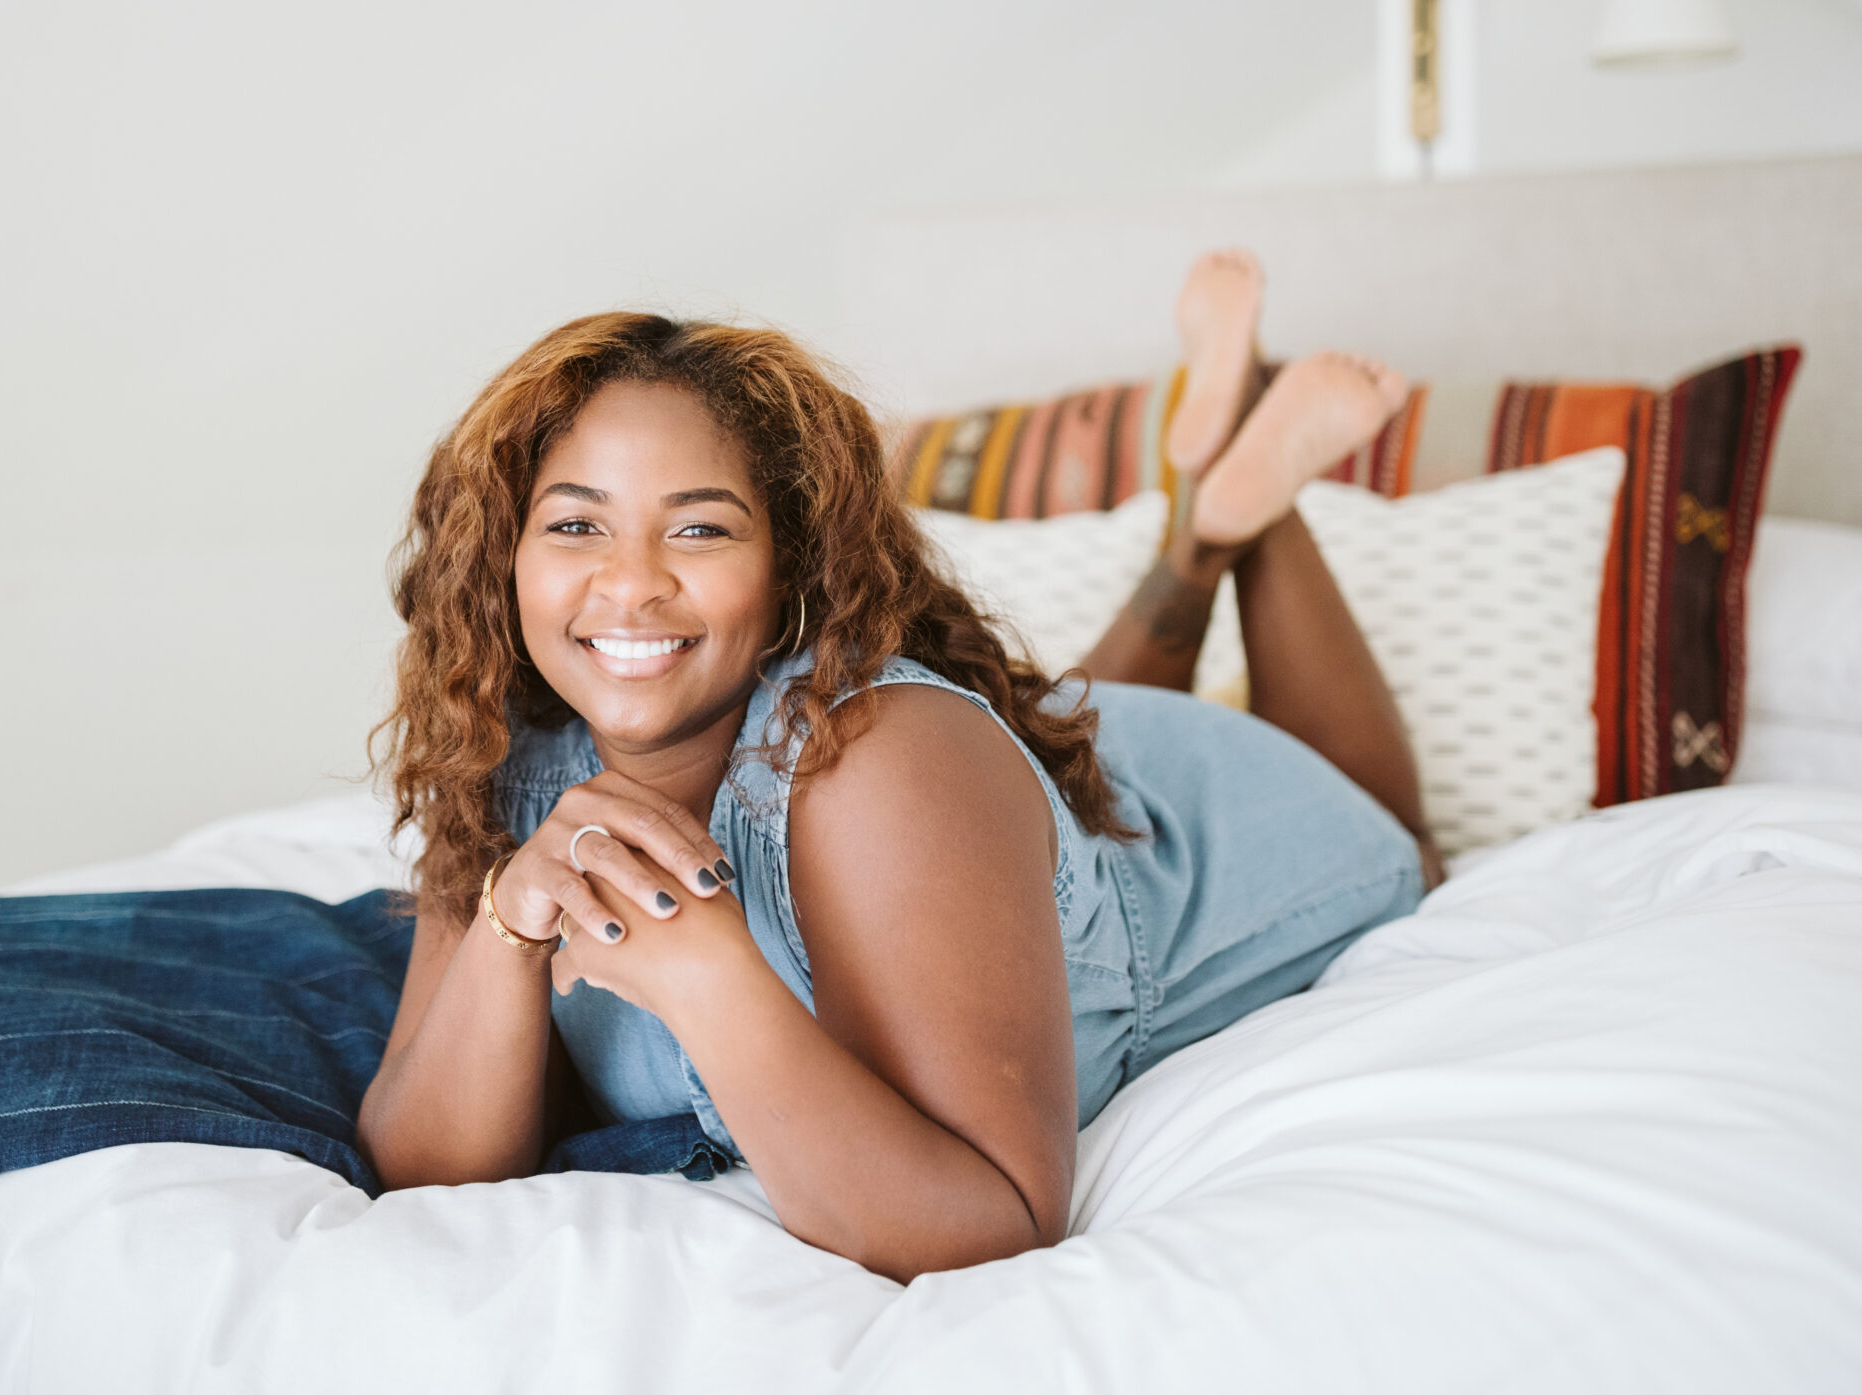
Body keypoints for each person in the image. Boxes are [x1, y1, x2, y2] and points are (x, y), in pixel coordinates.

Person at [356, 252, 1438, 1281]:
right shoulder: (506, 750)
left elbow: (996, 1223)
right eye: (576, 523)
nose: (630, 586)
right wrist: (506, 929)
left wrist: (704, 974)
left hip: (1193, 840)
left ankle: (1250, 497)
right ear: (505, 558)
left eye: (698, 532)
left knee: (1403, 840)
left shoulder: (882, 761)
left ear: (790, 572)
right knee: (1063, 719)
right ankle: (1207, 523)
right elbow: (421, 1166)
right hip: (1016, 796)